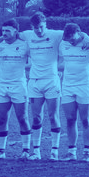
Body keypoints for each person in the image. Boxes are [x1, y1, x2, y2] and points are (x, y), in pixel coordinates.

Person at [54, 22, 89, 161]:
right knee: (70, 119)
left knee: (86, 119)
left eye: (72, 38)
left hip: (84, 86)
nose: (70, 41)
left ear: (78, 32)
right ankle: (72, 152)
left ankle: (87, 153)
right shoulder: (63, 43)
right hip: (67, 86)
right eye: (68, 39)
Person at [0, 20, 33, 159]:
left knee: (22, 118)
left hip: (19, 85)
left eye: (7, 30)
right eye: (3, 31)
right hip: (2, 86)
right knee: (1, 119)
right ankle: (1, 152)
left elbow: (36, 60)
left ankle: (26, 151)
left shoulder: (25, 45)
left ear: (15, 31)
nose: (4, 33)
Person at [21, 11, 63, 161]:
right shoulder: (27, 35)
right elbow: (10, 35)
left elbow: (74, 31)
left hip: (51, 81)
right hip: (34, 82)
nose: (39, 30)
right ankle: (36, 152)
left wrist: (85, 38)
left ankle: (54, 152)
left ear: (45, 25)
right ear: (31, 27)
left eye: (41, 27)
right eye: (35, 28)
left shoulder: (56, 34)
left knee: (53, 116)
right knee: (36, 117)